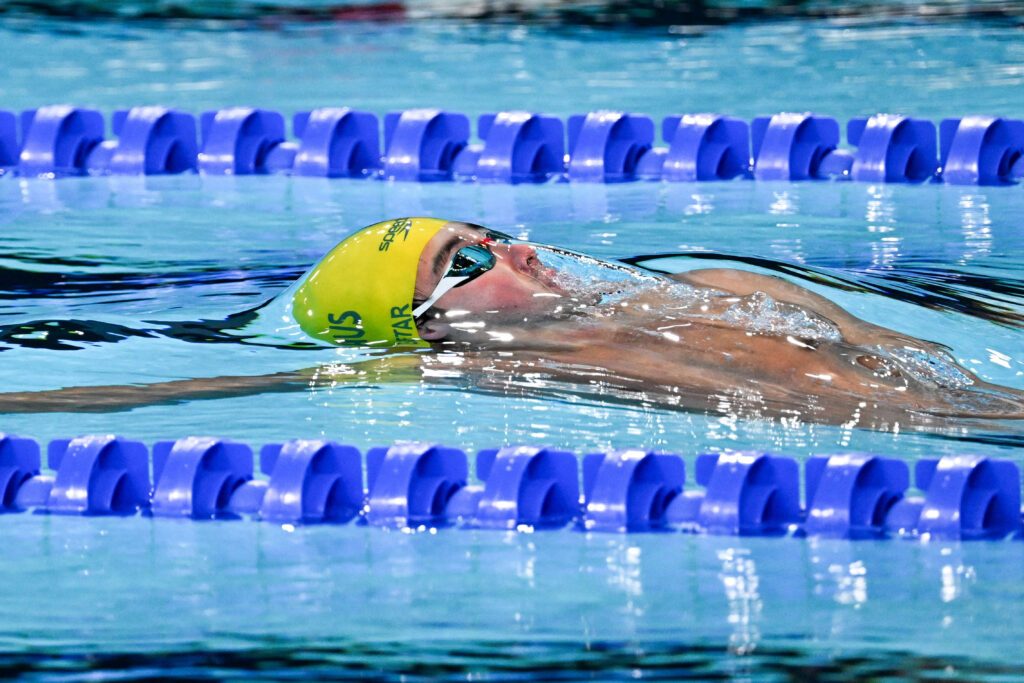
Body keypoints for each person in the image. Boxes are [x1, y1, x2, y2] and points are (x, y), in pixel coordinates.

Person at [3, 217, 1024, 432]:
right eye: (469, 262)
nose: (518, 251)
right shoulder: (508, 375)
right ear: (424, 324)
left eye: (490, 235)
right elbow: (214, 387)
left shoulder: (702, 279)